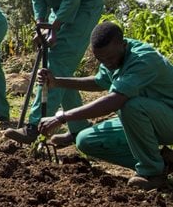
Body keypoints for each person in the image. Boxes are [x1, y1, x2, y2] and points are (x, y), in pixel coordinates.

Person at [3, 0, 104, 144]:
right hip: (59, 9)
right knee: (61, 66)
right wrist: (41, 22)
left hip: (84, 6)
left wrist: (56, 25)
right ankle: (79, 129)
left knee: (56, 63)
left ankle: (34, 126)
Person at [38, 22, 173, 190]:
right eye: (101, 60)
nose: (107, 63)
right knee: (86, 140)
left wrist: (62, 117)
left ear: (123, 45)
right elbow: (98, 82)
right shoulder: (112, 54)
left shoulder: (143, 60)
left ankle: (152, 173)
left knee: (130, 106)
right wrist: (57, 82)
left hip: (167, 118)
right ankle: (163, 162)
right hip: (147, 118)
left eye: (110, 59)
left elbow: (114, 101)